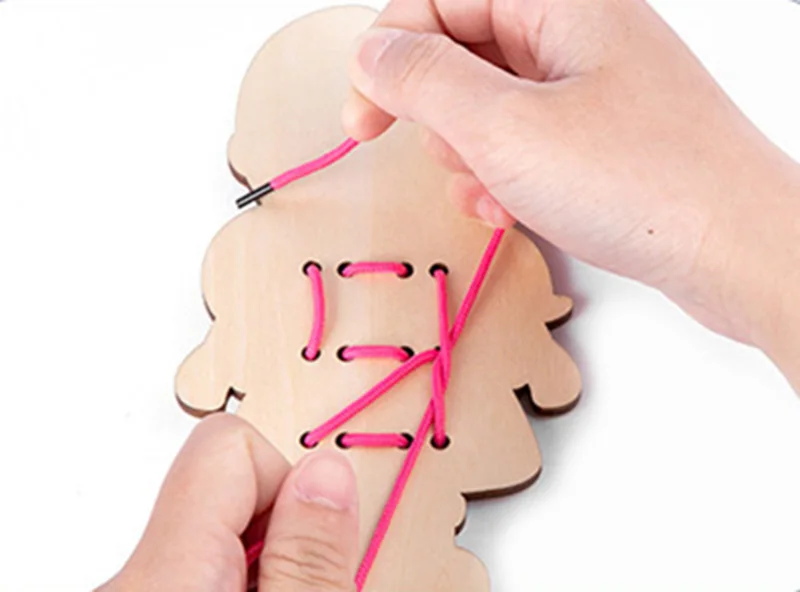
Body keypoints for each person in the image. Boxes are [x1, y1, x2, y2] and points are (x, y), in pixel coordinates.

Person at [99, 1, 799, 590]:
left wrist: (720, 230)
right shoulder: (252, 255)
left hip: (418, 457)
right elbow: (223, 349)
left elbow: (526, 335)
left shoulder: (489, 249)